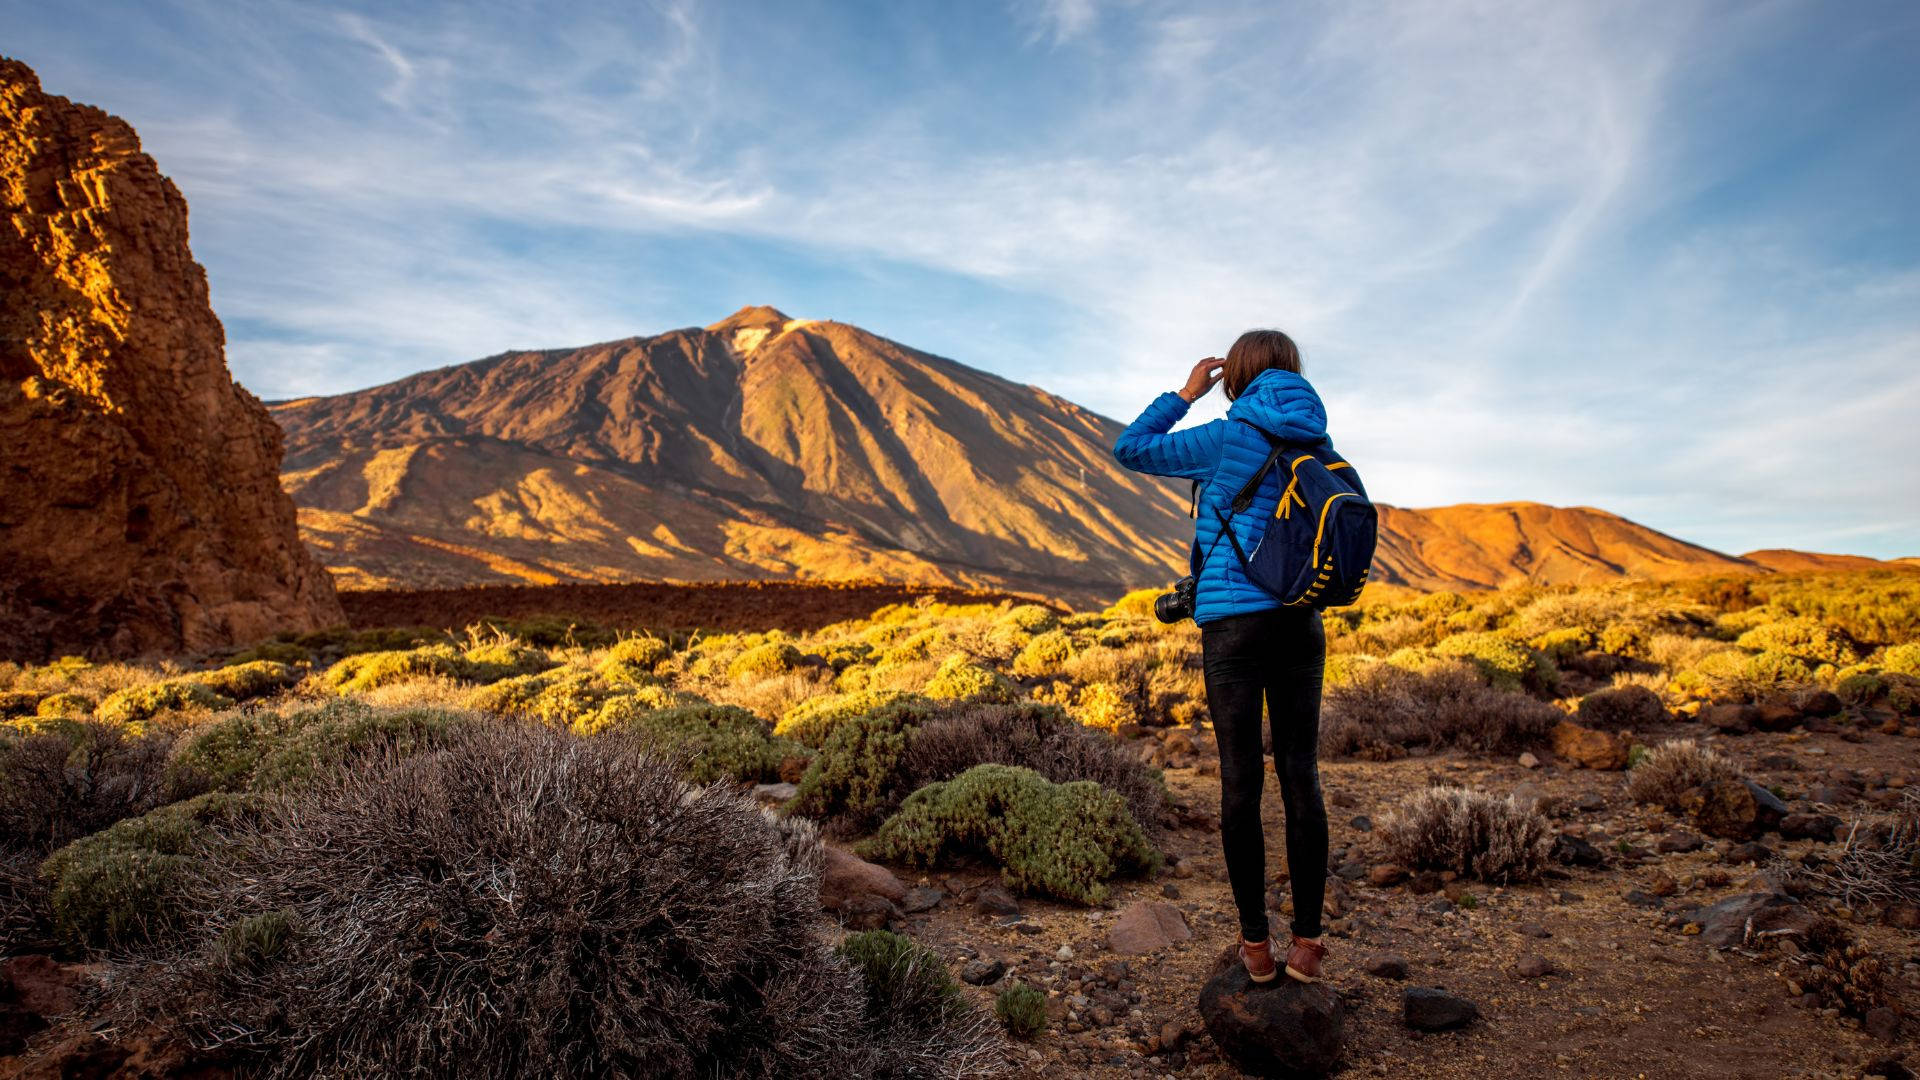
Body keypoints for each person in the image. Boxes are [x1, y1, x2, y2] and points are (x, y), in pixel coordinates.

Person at [1111, 329, 1332, 985]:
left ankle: (1256, 951)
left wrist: (1183, 395)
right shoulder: (1317, 440)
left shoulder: (1229, 435)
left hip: (1234, 626)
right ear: (1291, 371)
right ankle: (1310, 947)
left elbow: (1133, 449)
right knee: (1301, 777)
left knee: (1241, 783)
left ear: (1234, 374)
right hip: (1300, 625)